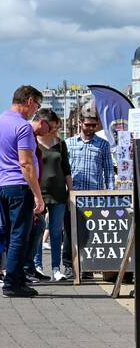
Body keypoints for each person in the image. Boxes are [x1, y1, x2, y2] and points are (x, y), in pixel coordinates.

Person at [0, 85, 46, 298]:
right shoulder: (23, 127)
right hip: (19, 186)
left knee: (12, 235)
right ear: (29, 101)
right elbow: (26, 163)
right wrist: (38, 195)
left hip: (1, 185)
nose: (35, 111)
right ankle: (11, 283)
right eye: (37, 106)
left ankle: (17, 279)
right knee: (21, 235)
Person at [65, 111, 112, 279]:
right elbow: (64, 170)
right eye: (88, 125)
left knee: (91, 233)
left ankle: (88, 267)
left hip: (95, 195)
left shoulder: (103, 145)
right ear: (80, 123)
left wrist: (110, 194)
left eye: (94, 125)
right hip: (73, 195)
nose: (91, 128)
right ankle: (70, 266)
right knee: (70, 232)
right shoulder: (68, 143)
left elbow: (109, 172)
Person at [28, 109, 71, 282]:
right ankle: (37, 266)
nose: (54, 128)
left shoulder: (60, 144)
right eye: (53, 125)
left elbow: (66, 169)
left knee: (55, 231)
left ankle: (56, 268)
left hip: (59, 192)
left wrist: (71, 192)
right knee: (38, 230)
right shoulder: (32, 142)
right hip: (38, 192)